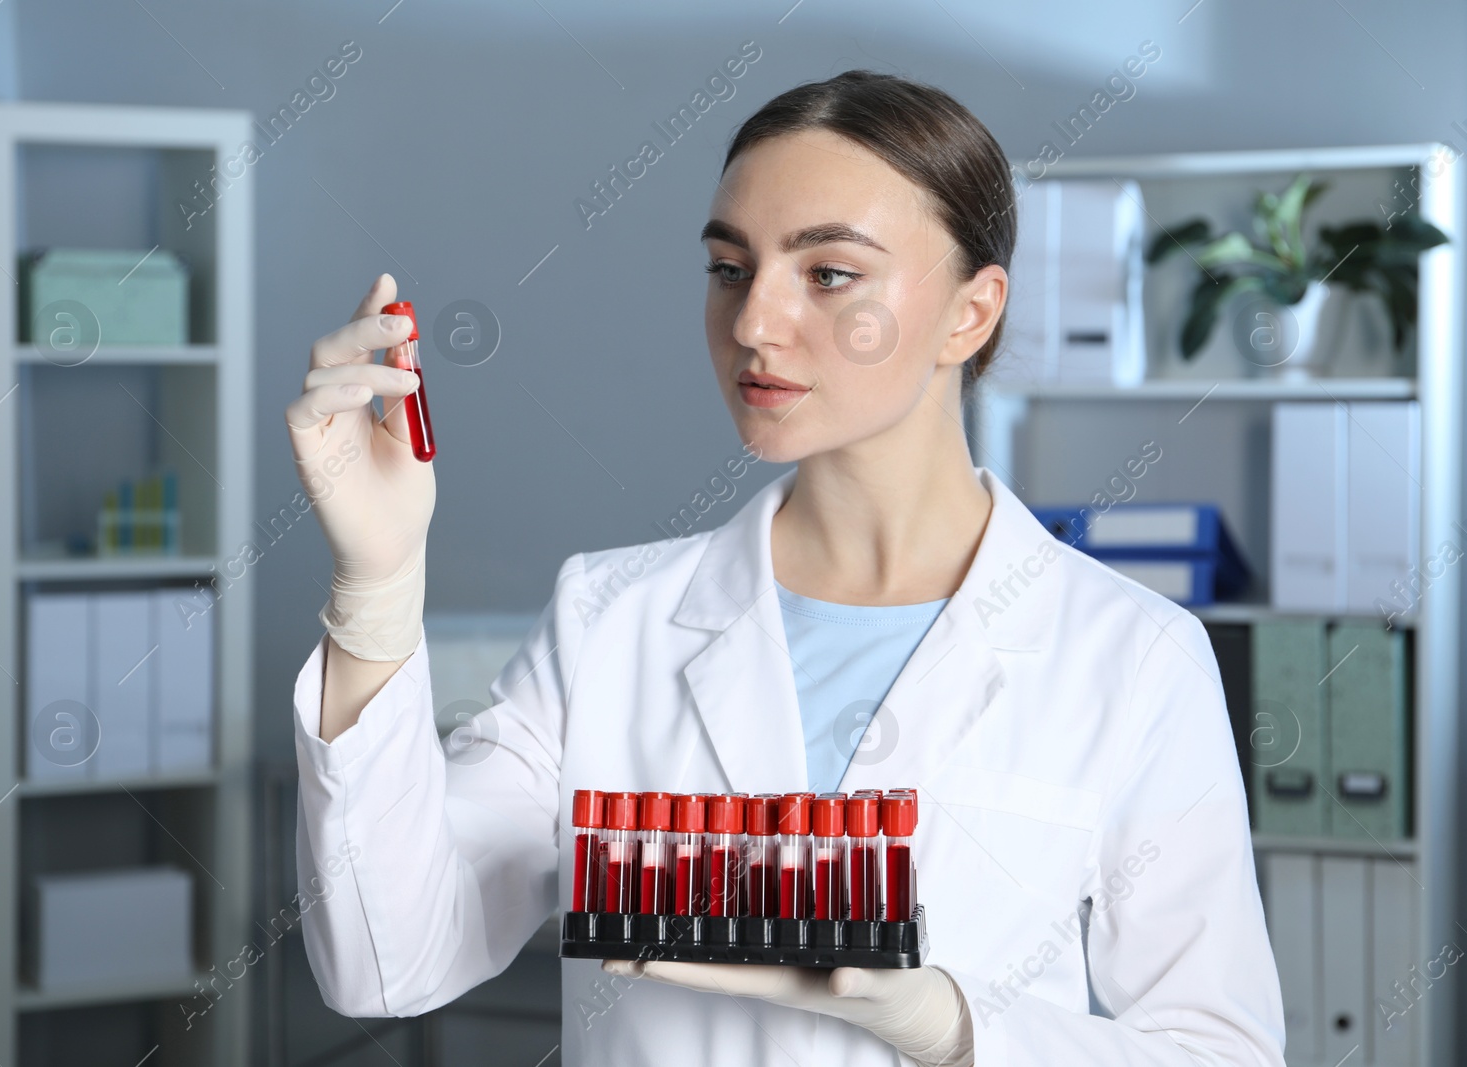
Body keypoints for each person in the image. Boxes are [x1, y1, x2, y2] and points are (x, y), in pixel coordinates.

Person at [285, 70, 1286, 1066]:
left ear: (968, 314)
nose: (754, 323)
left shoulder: (1132, 655)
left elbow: (1219, 1050)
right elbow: (389, 960)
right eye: (730, 267)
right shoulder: (612, 618)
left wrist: (955, 1023)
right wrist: (376, 582)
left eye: (829, 273)